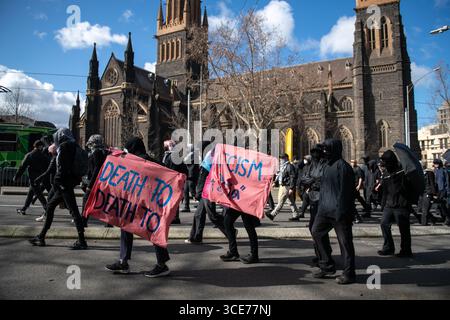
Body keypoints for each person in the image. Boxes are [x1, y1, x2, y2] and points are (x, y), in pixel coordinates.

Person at [105, 137, 171, 278]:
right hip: (150, 205)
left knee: (126, 226)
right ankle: (160, 264)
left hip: (135, 203)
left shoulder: (132, 162)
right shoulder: (153, 162)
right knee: (153, 230)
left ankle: (125, 261)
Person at [28, 128, 88, 250]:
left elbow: (63, 167)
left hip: (63, 183)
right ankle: (41, 236)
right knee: (50, 207)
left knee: (74, 211)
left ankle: (82, 241)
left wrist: (57, 180)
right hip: (67, 182)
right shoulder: (73, 145)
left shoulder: (65, 147)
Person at [311, 139, 356, 285]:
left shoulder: (343, 167)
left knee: (345, 243)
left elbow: (347, 192)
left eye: (327, 149)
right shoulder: (326, 165)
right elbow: (324, 185)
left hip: (339, 212)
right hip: (324, 210)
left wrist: (341, 212)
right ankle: (327, 265)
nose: (324, 152)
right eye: (323, 150)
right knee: (316, 232)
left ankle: (349, 273)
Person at [186, 142, 228, 244]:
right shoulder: (210, 156)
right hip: (205, 190)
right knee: (198, 214)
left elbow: (204, 176)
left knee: (211, 215)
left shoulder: (211, 157)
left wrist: (198, 192)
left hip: (208, 190)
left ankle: (229, 231)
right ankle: (195, 237)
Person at [377, 150, 414, 258]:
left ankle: (406, 250)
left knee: (403, 228)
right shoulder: (386, 173)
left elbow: (409, 188)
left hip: (401, 204)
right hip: (389, 204)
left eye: (386, 163)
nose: (385, 166)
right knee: (384, 223)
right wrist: (383, 204)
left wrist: (401, 185)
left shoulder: (402, 172)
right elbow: (384, 190)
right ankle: (388, 247)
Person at [299, 145, 328, 266]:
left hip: (323, 200)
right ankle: (320, 254)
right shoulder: (310, 165)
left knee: (319, 230)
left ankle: (325, 256)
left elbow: (323, 179)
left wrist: (313, 181)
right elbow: (304, 178)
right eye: (313, 152)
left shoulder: (325, 165)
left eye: (317, 152)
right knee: (313, 229)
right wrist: (313, 181)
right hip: (313, 200)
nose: (314, 155)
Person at [14, 140, 50, 216]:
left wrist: (17, 177)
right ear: (40, 146)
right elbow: (48, 167)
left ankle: (48, 210)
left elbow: (22, 167)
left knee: (39, 194)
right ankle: (24, 209)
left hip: (33, 178)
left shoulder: (29, 155)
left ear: (34, 146)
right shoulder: (43, 156)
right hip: (40, 177)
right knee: (31, 193)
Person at [81, 134, 109, 228]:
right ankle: (108, 222)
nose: (90, 145)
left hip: (96, 182)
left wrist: (90, 184)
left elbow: (96, 169)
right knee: (101, 202)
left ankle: (83, 221)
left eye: (91, 143)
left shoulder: (97, 152)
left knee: (87, 199)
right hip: (101, 181)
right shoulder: (103, 151)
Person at [266, 154, 300, 221]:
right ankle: (296, 215)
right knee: (291, 202)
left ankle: (272, 214)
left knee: (281, 201)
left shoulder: (289, 166)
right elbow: (279, 175)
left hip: (286, 186)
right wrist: (275, 182)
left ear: (287, 158)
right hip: (283, 185)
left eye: (282, 158)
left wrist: (291, 188)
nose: (281, 160)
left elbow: (292, 177)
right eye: (280, 158)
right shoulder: (283, 166)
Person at [161, 140, 188, 224]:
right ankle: (174, 217)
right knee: (173, 200)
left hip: (171, 181)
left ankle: (173, 217)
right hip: (173, 181)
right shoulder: (173, 156)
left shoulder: (171, 156)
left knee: (172, 200)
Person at [33, 143, 58, 222]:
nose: (49, 153)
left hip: (56, 184)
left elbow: (48, 171)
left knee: (68, 203)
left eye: (50, 151)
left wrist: (38, 179)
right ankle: (45, 216)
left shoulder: (54, 159)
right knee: (52, 201)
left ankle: (45, 217)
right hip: (56, 183)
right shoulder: (57, 158)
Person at [181, 144, 199, 213]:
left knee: (193, 192)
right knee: (185, 191)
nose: (186, 150)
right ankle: (186, 206)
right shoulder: (189, 155)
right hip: (188, 176)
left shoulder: (193, 155)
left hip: (191, 176)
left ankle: (202, 204)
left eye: (187, 148)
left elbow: (186, 163)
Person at [433, 159, 450, 225]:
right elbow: (435, 181)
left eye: (436, 163)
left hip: (444, 190)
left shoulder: (444, 171)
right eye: (434, 163)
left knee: (444, 205)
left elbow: (447, 182)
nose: (435, 164)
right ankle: (445, 218)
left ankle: (447, 219)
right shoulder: (436, 171)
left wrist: (448, 191)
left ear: (439, 164)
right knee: (440, 205)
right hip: (438, 190)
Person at [296, 155, 312, 220]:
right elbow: (299, 165)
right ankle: (303, 212)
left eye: (306, 159)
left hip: (309, 186)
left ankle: (302, 213)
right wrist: (302, 159)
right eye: (304, 159)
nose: (305, 160)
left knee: (306, 198)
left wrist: (309, 187)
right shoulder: (304, 166)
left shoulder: (311, 166)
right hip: (303, 184)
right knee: (305, 198)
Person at [421, 161, 437, 226]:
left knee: (425, 208)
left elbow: (432, 184)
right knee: (423, 209)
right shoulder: (420, 173)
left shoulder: (429, 173)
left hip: (428, 192)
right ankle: (433, 219)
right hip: (423, 192)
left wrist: (434, 194)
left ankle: (424, 223)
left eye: (422, 165)